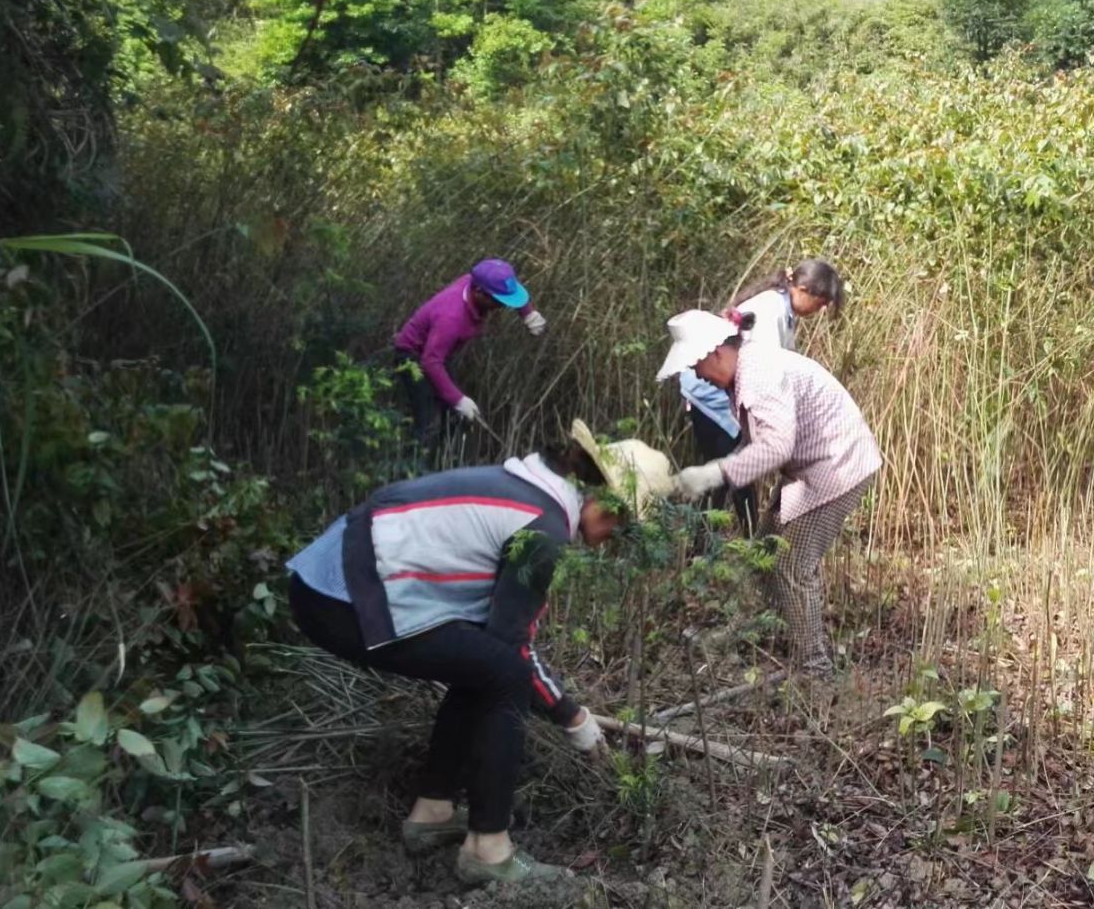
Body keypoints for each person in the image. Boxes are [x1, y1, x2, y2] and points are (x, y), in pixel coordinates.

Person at [284, 423, 674, 884]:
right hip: (343, 594)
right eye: (622, 526)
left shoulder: (534, 493)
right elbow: (513, 649)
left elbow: (495, 635)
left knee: (485, 665)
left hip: (330, 581)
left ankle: (432, 812)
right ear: (608, 503)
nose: (615, 539)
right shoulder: (543, 530)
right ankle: (488, 849)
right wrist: (574, 719)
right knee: (504, 672)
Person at [657, 309, 881, 676]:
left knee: (791, 566)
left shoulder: (757, 373)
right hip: (812, 466)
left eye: (696, 366)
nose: (696, 375)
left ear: (715, 354)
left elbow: (777, 446)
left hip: (836, 467)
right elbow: (759, 440)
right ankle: (776, 633)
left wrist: (718, 472)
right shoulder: (746, 369)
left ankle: (814, 666)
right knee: (764, 555)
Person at [677, 259, 847, 533]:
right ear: (803, 289)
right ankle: (713, 549)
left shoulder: (783, 311)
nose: (823, 308)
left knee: (735, 472)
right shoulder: (770, 311)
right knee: (727, 473)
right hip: (710, 394)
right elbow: (765, 373)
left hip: (728, 394)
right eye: (823, 299)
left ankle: (730, 547)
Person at [393, 258, 548, 446]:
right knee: (430, 425)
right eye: (499, 301)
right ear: (479, 293)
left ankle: (446, 464)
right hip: (413, 357)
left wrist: (528, 313)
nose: (503, 306)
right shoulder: (451, 318)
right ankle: (417, 469)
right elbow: (430, 362)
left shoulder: (478, 281)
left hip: (437, 354)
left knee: (454, 419)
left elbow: (508, 287)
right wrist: (458, 399)